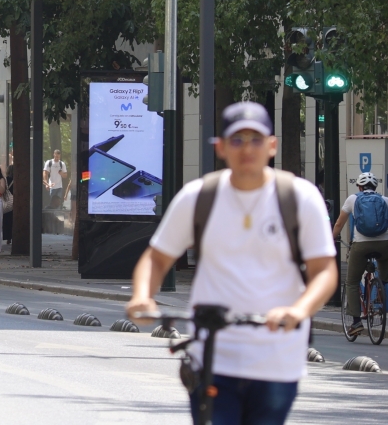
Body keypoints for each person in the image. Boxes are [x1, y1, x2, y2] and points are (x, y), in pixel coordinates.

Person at [126, 102, 337, 425]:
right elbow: (157, 258)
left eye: (256, 139)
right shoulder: (199, 197)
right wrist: (143, 295)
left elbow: (324, 270)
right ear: (221, 147)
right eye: (237, 140)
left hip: (277, 359)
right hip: (213, 357)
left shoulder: (299, 198)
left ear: (272, 145)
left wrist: (299, 311)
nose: (247, 149)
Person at [332, 171, 388, 337]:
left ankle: (356, 322)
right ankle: (380, 296)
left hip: (361, 245)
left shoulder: (352, 199)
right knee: (385, 279)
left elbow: (339, 223)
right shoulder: (385, 200)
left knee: (351, 282)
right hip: (385, 245)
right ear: (375, 187)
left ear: (359, 186)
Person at [3, 162, 15, 245]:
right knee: (13, 220)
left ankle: (8, 238)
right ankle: (14, 236)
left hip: (7, 201)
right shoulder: (17, 179)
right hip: (15, 202)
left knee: (7, 220)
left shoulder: (5, 179)